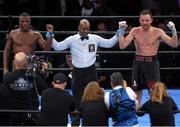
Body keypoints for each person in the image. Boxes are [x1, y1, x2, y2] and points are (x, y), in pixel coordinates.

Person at [46, 19, 121, 109]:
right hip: (77, 72)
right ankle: (76, 119)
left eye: (87, 29)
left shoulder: (95, 38)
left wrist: (119, 32)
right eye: (83, 29)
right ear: (78, 28)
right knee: (76, 96)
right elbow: (58, 47)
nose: (85, 31)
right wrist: (50, 35)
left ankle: (94, 116)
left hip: (91, 70)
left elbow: (109, 43)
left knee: (95, 95)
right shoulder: (72, 39)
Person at [118, 9, 178, 106]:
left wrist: (173, 31)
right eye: (142, 20)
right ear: (139, 20)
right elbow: (122, 46)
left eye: (147, 20)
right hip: (138, 63)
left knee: (154, 92)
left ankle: (154, 114)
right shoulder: (134, 31)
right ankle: (137, 113)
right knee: (136, 92)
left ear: (151, 20)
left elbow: (174, 44)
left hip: (152, 64)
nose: (144, 23)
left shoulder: (158, 32)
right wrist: (121, 30)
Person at [3, 52, 47, 125]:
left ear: (14, 63)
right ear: (26, 63)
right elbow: (44, 91)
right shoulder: (34, 77)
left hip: (14, 114)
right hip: (31, 115)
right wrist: (43, 73)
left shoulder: (7, 77)